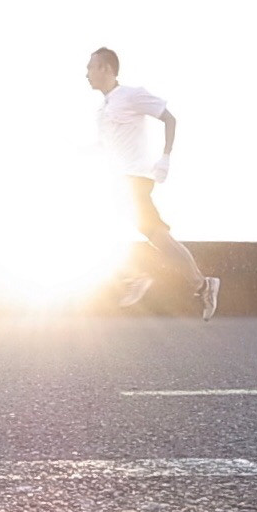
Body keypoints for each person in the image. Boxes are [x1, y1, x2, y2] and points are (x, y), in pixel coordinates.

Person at [86, 47, 220, 320]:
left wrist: (166, 157)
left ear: (107, 69)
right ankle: (201, 284)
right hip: (119, 180)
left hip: (135, 178)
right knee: (158, 236)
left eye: (91, 67)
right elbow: (105, 146)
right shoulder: (103, 110)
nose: (86, 73)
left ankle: (137, 275)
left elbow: (169, 118)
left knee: (100, 220)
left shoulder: (130, 95)